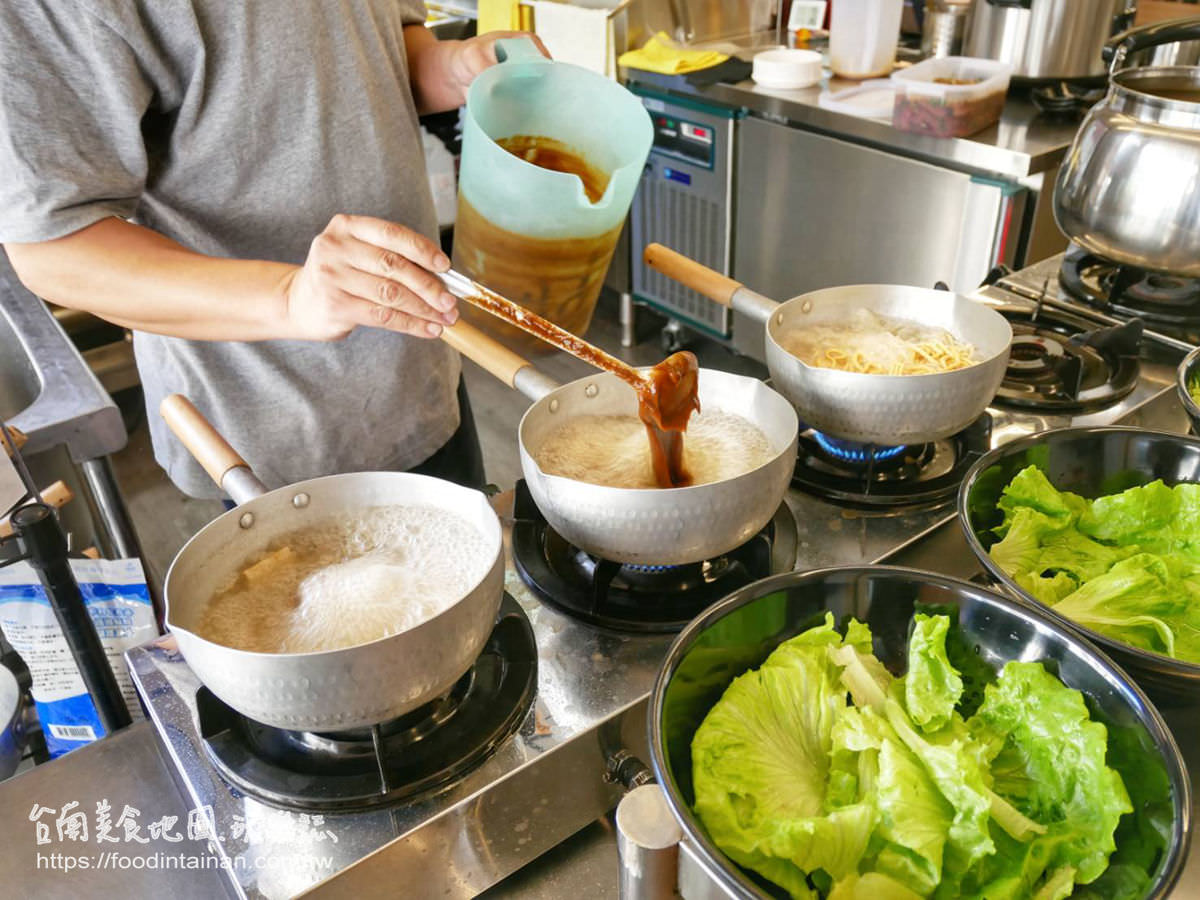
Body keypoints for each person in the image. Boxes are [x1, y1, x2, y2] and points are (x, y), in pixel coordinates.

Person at [0, 1, 543, 496]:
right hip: (266, 436)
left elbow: (370, 53)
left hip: (420, 376)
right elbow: (55, 247)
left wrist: (450, 67)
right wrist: (290, 296)